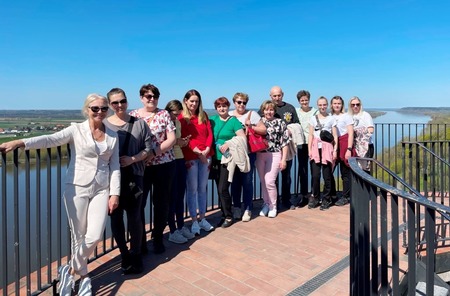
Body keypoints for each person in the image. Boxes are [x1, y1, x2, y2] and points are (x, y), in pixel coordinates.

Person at [0, 94, 120, 296]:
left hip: (102, 188)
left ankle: (69, 269)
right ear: (87, 109)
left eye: (103, 108)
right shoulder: (76, 130)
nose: (100, 112)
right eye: (95, 108)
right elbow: (50, 139)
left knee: (95, 235)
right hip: (76, 187)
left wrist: (115, 193)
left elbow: (115, 165)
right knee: (79, 235)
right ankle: (83, 277)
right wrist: (20, 142)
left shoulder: (113, 134)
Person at [104, 88, 152, 274]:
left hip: (135, 178)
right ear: (109, 105)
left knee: (134, 218)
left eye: (122, 101)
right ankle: (124, 255)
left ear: (127, 101)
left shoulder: (140, 124)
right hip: (110, 181)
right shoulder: (105, 125)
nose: (119, 105)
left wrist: (132, 159)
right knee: (115, 219)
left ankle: (136, 255)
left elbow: (149, 149)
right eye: (114, 103)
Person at [130, 84, 176, 254]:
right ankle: (140, 241)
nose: (152, 99)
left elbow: (171, 139)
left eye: (155, 96)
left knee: (161, 204)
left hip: (164, 165)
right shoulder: (133, 116)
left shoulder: (163, 114)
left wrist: (154, 152)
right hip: (141, 167)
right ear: (141, 97)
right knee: (139, 204)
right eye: (148, 96)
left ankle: (157, 238)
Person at [178, 89, 215, 235]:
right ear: (186, 101)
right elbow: (185, 138)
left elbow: (209, 134)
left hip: (206, 156)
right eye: (191, 101)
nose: (194, 103)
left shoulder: (203, 115)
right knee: (192, 189)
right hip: (191, 157)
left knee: (202, 188)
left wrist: (206, 149)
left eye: (196, 101)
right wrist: (198, 152)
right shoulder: (182, 117)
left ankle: (203, 218)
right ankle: (194, 220)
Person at [229, 92, 266, 222]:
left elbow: (264, 130)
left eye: (244, 102)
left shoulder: (252, 115)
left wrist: (252, 127)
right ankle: (237, 207)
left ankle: (248, 208)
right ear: (234, 102)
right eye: (239, 102)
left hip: (249, 153)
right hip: (234, 154)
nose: (241, 105)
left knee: (247, 181)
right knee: (235, 181)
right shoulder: (229, 115)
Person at [210, 97, 246, 228]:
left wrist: (228, 143)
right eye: (219, 106)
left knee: (222, 188)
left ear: (228, 107)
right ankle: (224, 214)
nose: (221, 108)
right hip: (215, 159)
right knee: (219, 188)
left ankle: (229, 216)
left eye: (224, 106)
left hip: (228, 160)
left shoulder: (233, 121)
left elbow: (242, 138)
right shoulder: (212, 120)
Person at [165, 100, 195, 243]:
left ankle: (181, 226)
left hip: (179, 158)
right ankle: (172, 230)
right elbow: (164, 141)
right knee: (172, 196)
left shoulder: (176, 122)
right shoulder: (165, 121)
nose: (175, 117)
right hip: (169, 160)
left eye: (177, 114)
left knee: (180, 195)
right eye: (173, 114)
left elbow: (175, 140)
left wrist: (182, 141)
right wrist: (177, 141)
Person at [266, 86, 299, 210]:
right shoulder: (266, 107)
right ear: (270, 96)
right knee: (273, 177)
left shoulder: (289, 108)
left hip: (287, 147)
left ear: (282, 95)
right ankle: (274, 201)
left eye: (279, 95)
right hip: (271, 149)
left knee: (286, 176)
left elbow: (297, 124)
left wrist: (291, 130)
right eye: (274, 96)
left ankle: (286, 200)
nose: (276, 98)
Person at [256, 100, 291, 218]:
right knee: (263, 181)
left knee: (270, 181)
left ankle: (273, 206)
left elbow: (285, 142)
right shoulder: (259, 122)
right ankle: (266, 204)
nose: (269, 112)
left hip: (275, 154)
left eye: (271, 109)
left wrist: (284, 159)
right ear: (263, 110)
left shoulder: (280, 122)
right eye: (266, 109)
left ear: (274, 111)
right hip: (260, 155)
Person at [308, 96, 338, 211]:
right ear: (317, 105)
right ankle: (315, 197)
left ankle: (326, 198)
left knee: (327, 176)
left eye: (324, 105)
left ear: (327, 105)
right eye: (320, 105)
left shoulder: (331, 119)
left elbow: (335, 136)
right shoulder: (313, 119)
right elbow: (310, 135)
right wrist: (310, 150)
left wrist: (335, 150)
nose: (322, 107)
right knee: (315, 176)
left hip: (327, 149)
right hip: (316, 148)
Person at [330, 96, 355, 206]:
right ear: (331, 105)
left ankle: (346, 196)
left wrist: (349, 149)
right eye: (335, 103)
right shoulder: (330, 117)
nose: (337, 105)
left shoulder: (347, 116)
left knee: (345, 173)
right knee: (328, 171)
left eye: (339, 103)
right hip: (333, 145)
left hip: (344, 144)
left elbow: (350, 133)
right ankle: (333, 194)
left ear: (342, 105)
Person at [295, 90, 318, 206]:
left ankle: (314, 194)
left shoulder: (315, 112)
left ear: (309, 99)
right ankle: (303, 195)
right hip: (300, 143)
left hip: (313, 143)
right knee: (302, 170)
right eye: (302, 100)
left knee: (314, 170)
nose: (304, 102)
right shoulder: (296, 112)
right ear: (299, 101)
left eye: (306, 100)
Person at [348, 96, 374, 173]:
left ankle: (367, 185)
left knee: (365, 171)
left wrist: (358, 132)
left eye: (357, 104)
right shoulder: (349, 116)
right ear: (350, 106)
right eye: (353, 105)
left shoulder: (365, 115)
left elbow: (371, 129)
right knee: (356, 170)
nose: (355, 106)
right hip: (354, 147)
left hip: (366, 147)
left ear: (360, 105)